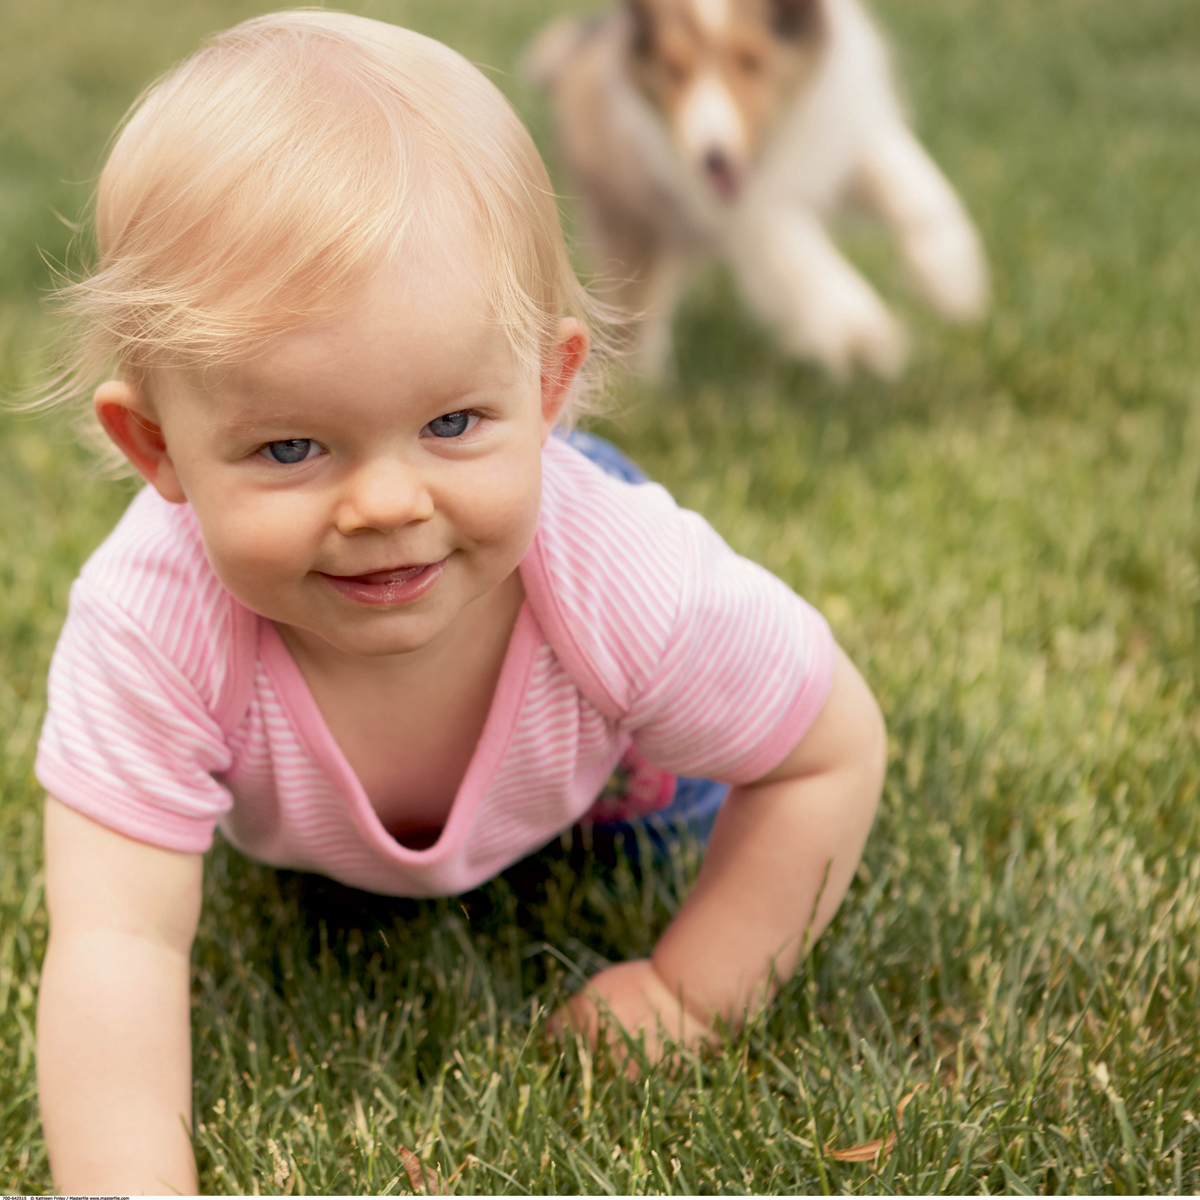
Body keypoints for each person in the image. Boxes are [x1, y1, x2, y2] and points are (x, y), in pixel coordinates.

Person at [31, 11, 887, 1194]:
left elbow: (826, 754)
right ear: (156, 447)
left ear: (548, 387)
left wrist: (686, 994)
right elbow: (116, 942)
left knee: (672, 793)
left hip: (579, 697)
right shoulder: (152, 627)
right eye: (290, 446)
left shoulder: (623, 581)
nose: (385, 502)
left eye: (449, 421)